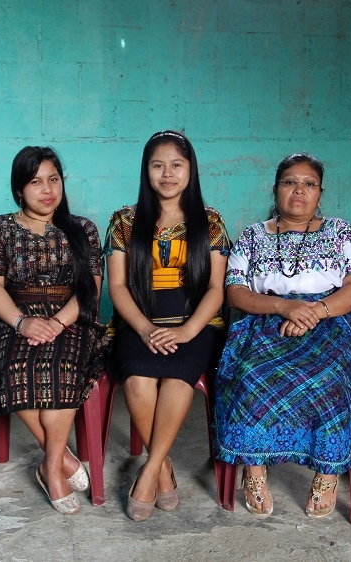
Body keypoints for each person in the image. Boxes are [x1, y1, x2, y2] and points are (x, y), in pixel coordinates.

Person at [214, 153, 351, 518]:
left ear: (320, 193)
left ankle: (327, 472)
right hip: (266, 319)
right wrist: (285, 307)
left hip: (329, 320)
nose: (299, 190)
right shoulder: (253, 235)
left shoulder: (341, 232)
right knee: (251, 374)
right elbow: (236, 292)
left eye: (309, 184)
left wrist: (313, 312)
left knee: (332, 377)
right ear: (275, 189)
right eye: (290, 182)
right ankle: (253, 469)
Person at [105, 130, 230, 521]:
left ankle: (150, 470)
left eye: (177, 165)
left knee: (177, 381)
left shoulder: (210, 222)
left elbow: (216, 288)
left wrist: (188, 331)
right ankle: (163, 469)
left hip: (195, 322)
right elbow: (118, 287)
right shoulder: (125, 221)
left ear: (191, 169)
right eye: (158, 165)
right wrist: (144, 329)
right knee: (138, 380)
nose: (167, 174)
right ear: (146, 171)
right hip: (139, 320)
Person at [0, 146, 104, 514]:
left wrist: (57, 322)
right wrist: (21, 321)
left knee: (61, 367)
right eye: (35, 182)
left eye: (53, 179)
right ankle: (62, 458)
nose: (47, 189)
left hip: (71, 317)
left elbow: (91, 288)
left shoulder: (83, 229)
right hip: (14, 317)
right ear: (19, 189)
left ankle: (49, 466)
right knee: (18, 366)